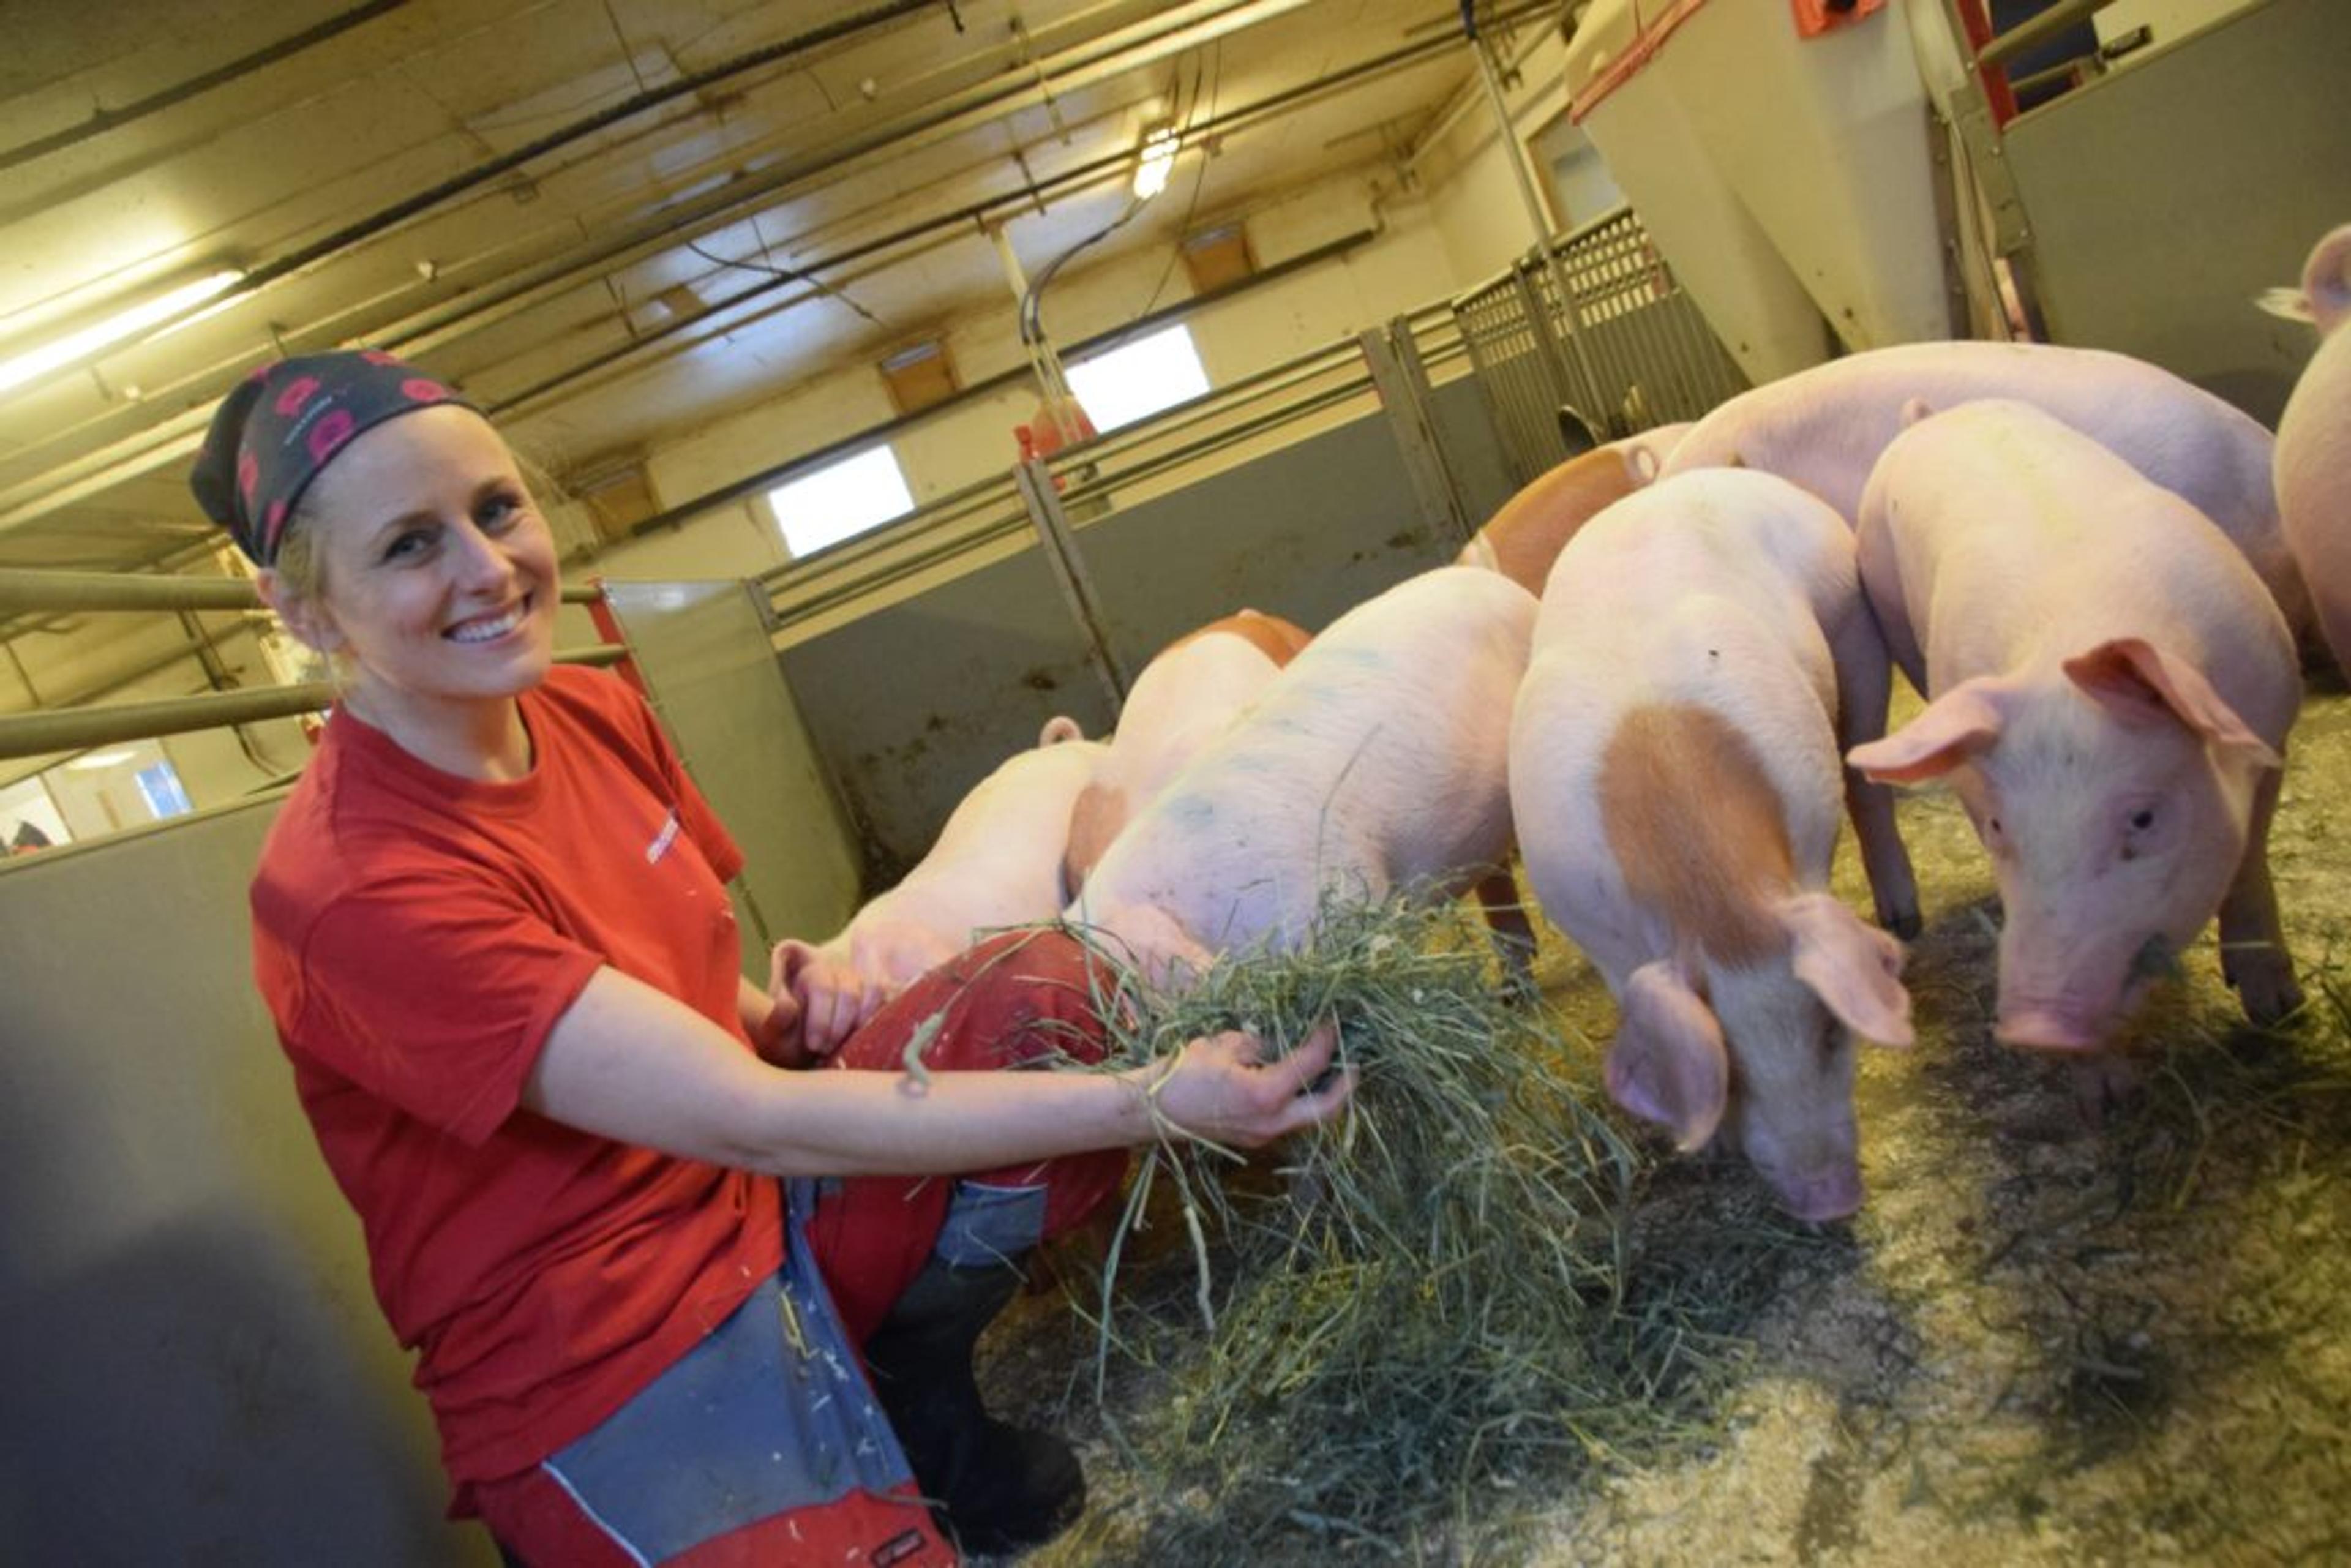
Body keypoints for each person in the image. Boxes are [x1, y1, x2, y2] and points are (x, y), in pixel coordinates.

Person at [190, 349, 1354, 1565]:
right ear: (304, 610)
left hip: (757, 1194)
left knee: (1054, 996)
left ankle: (905, 1379)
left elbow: (705, 1017)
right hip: (606, 1342)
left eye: (497, 509)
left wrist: (777, 1013)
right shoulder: (354, 886)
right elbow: (754, 1118)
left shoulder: (588, 711)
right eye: (410, 545)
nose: (488, 568)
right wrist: (1156, 1099)